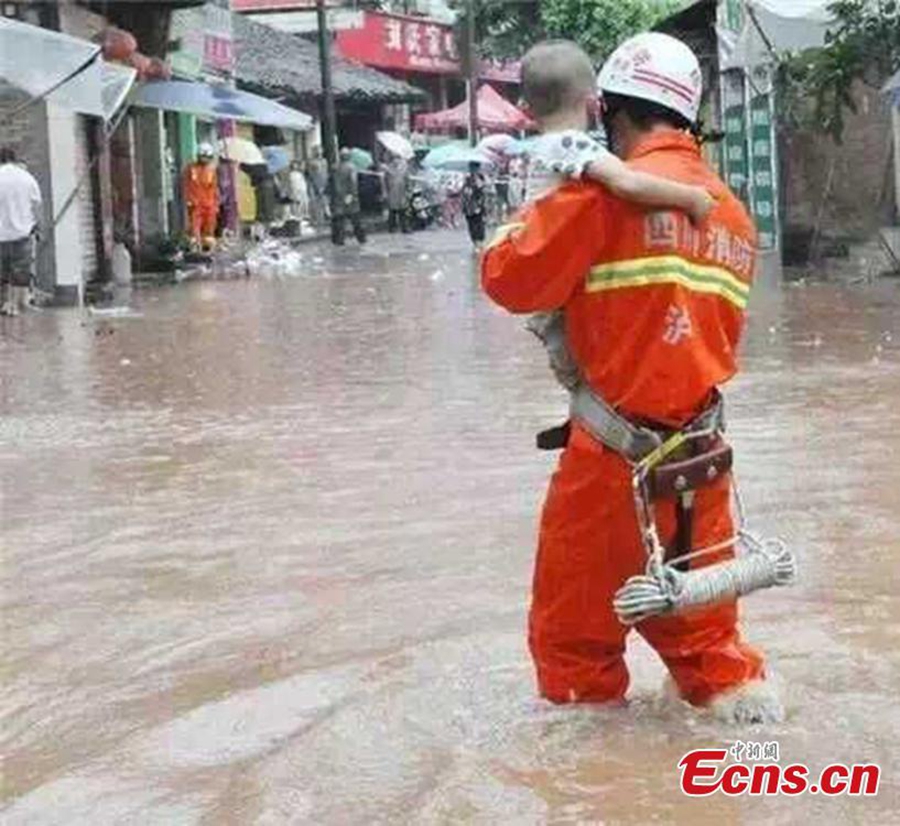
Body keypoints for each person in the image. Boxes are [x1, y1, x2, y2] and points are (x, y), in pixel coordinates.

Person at [481, 35, 775, 723]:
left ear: (608, 111)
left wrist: (529, 209)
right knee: (712, 655)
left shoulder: (598, 196)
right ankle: (751, 776)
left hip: (615, 468)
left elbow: (510, 281)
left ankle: (604, 791)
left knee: (575, 656)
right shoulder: (731, 213)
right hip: (704, 467)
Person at [0, 147, 41, 316]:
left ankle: (5, 303)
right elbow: (37, 205)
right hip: (22, 234)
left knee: (3, 272)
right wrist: (38, 226)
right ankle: (15, 306)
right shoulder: (27, 178)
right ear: (14, 159)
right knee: (20, 271)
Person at [183, 143, 219, 251]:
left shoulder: (211, 170)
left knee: (209, 229)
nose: (205, 160)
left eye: (207, 157)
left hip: (209, 205)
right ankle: (195, 248)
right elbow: (187, 185)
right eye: (203, 157)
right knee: (195, 228)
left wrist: (216, 204)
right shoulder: (191, 168)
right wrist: (189, 199)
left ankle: (207, 249)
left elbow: (214, 188)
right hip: (195, 204)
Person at [333, 147, 366, 245]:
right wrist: (353, 194)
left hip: (339, 196)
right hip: (349, 195)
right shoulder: (351, 167)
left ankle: (339, 240)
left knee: (339, 220)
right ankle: (361, 238)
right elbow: (353, 182)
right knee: (356, 219)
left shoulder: (336, 167)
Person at [461, 161, 488, 248]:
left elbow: (482, 190)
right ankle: (475, 242)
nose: (473, 170)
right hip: (468, 206)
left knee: (479, 224)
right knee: (471, 225)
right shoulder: (467, 179)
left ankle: (480, 241)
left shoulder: (481, 178)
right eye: (471, 168)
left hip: (478, 206)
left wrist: (477, 182)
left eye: (475, 168)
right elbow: (463, 191)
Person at [383, 154, 410, 233]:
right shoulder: (388, 169)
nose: (396, 161)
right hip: (392, 192)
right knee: (392, 211)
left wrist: (408, 190)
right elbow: (384, 182)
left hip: (401, 192)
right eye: (394, 159)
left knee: (403, 211)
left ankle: (404, 227)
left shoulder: (404, 169)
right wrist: (385, 192)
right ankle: (391, 227)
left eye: (398, 159)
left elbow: (407, 179)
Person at [306, 145, 329, 228]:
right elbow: (311, 175)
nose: (319, 152)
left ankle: (323, 221)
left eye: (320, 150)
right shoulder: (311, 162)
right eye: (317, 151)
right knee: (316, 204)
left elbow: (325, 173)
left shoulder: (324, 161)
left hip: (324, 183)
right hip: (314, 185)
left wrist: (326, 184)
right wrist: (317, 186)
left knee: (324, 203)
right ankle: (317, 222)